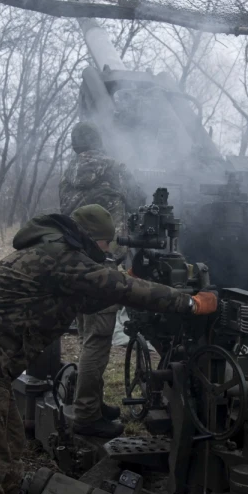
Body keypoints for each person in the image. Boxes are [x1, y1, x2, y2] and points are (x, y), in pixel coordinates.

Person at [0, 204, 216, 494]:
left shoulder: (57, 251)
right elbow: (115, 286)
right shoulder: (60, 256)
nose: (105, 251)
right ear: (89, 238)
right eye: (103, 244)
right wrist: (191, 303)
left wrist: (128, 277)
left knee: (7, 440)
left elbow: (93, 290)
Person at [58, 121, 146, 439]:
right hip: (103, 262)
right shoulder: (113, 168)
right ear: (99, 142)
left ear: (75, 146)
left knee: (86, 336)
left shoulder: (67, 175)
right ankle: (86, 414)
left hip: (72, 262)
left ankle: (91, 401)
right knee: (98, 340)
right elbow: (141, 200)